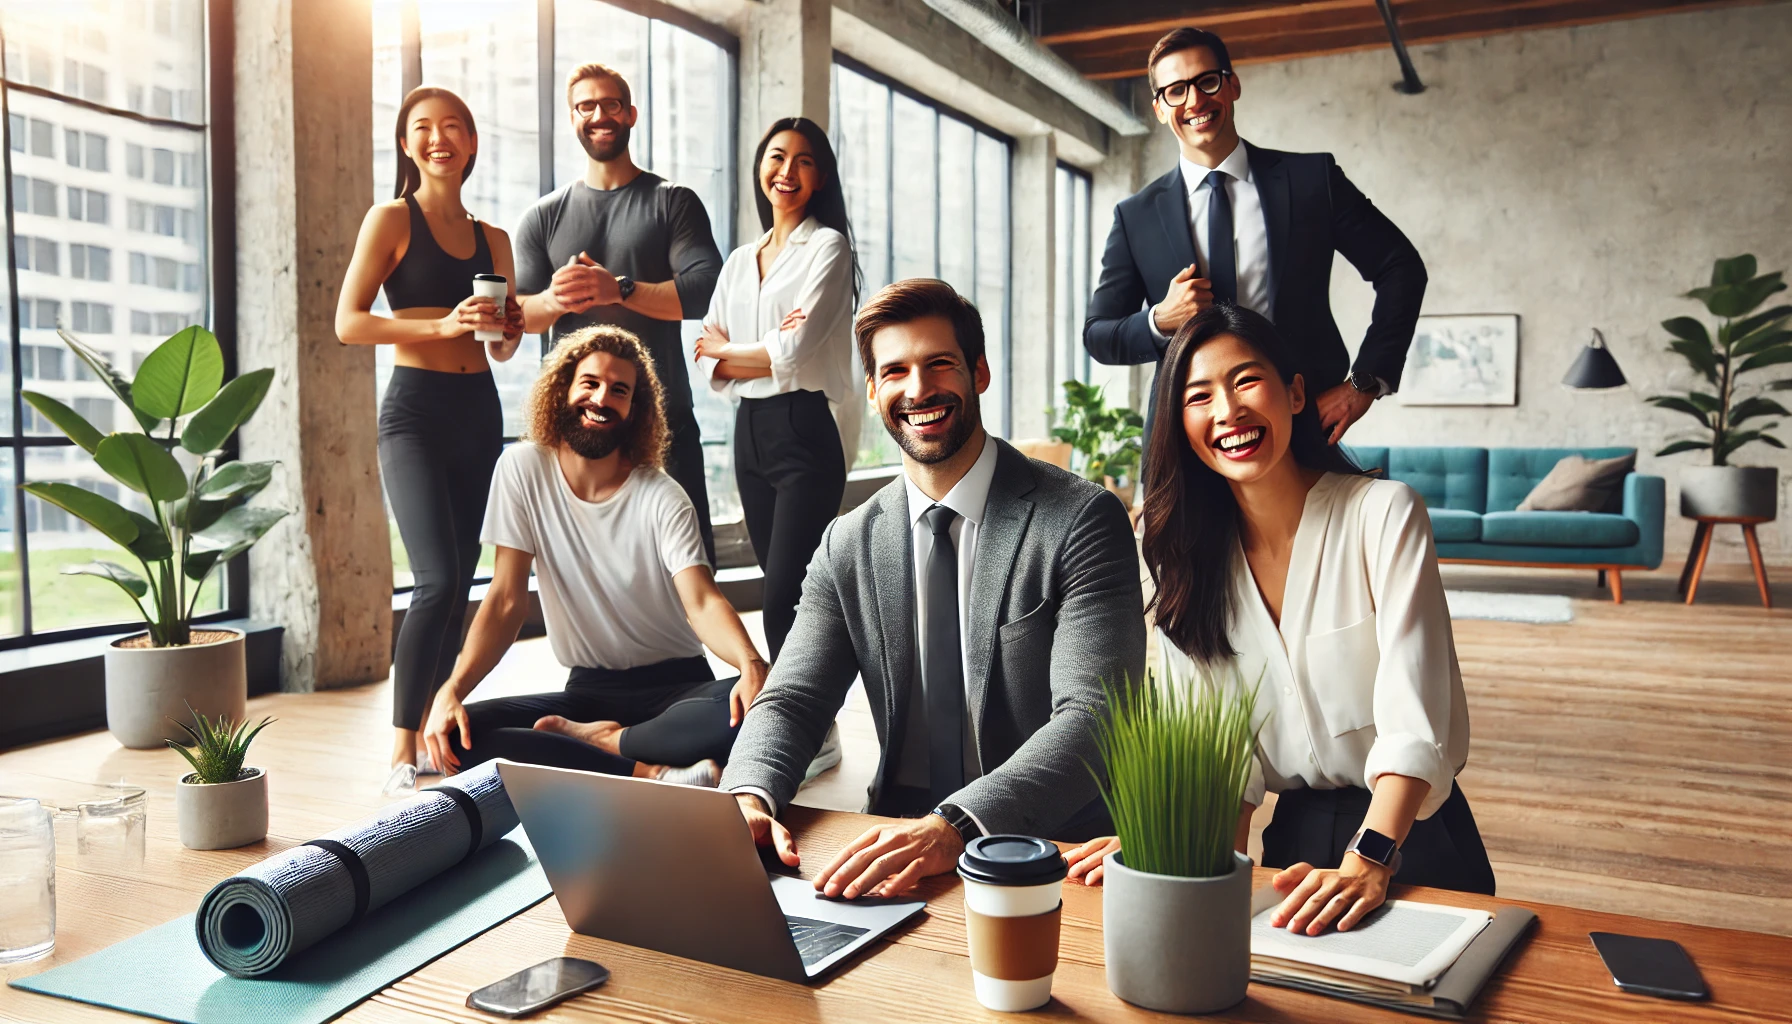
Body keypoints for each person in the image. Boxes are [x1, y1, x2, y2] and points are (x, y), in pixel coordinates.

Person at [1064, 304, 1494, 936]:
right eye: (1198, 395)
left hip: (1413, 835)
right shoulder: (1180, 555)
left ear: (1294, 393)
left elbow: (1416, 718)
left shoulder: (1383, 515)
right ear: (1180, 424)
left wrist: (1369, 859)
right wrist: (1172, 856)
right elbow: (1221, 757)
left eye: (1245, 381)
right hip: (1291, 849)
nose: (1228, 412)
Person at [718, 279, 1146, 900]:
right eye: (895, 371)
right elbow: (793, 699)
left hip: (1052, 851)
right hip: (895, 836)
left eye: (939, 364)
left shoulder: (1080, 519)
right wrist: (748, 797)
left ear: (979, 373)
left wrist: (954, 827)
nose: (918, 390)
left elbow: (1094, 718)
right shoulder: (848, 541)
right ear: (872, 391)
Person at [419, 325, 768, 789]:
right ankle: (648, 769)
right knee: (459, 736)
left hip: (678, 688)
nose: (602, 398)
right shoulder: (522, 470)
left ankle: (606, 745)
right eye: (590, 383)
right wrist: (452, 690)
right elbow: (505, 600)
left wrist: (750, 664)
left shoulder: (661, 496)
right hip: (587, 690)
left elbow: (701, 601)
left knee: (758, 708)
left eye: (619, 391)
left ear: (634, 410)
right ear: (564, 389)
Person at [1083, 26, 1427, 446]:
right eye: (1175, 90)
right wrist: (1159, 319)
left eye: (1206, 81)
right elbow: (1099, 334)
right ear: (1159, 108)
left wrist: (1364, 384)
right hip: (1187, 441)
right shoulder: (1134, 215)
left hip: (1301, 426)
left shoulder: (1312, 181)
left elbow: (1400, 267)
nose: (1194, 100)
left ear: (1232, 85)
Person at [335, 85, 526, 795]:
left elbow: (500, 349)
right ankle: (398, 755)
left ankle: (437, 735)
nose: (438, 137)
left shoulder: (495, 238)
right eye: (422, 128)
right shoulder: (391, 219)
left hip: (477, 408)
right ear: (406, 144)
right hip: (413, 411)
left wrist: (502, 333)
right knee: (436, 579)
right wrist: (438, 326)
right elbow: (349, 323)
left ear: (471, 143)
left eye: (452, 127)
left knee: (456, 589)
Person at [514, 61, 724, 565]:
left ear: (630, 114)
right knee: (591, 576)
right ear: (572, 119)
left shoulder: (672, 202)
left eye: (610, 104)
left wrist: (618, 289)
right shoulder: (542, 216)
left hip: (662, 420)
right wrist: (557, 298)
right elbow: (519, 313)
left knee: (688, 572)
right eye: (585, 106)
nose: (599, 114)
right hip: (577, 430)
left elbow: (705, 290)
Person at [695, 117, 860, 662]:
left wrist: (732, 351)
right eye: (776, 157)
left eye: (804, 161)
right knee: (780, 584)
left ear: (820, 179)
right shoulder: (740, 261)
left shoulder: (828, 249)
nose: (787, 171)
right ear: (760, 168)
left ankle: (803, 722)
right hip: (751, 433)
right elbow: (704, 359)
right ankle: (811, 718)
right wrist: (752, 353)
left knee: (784, 597)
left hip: (804, 428)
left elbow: (792, 352)